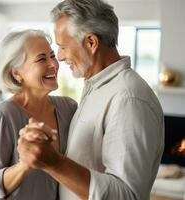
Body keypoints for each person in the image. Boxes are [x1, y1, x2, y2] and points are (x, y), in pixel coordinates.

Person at [17, 0, 164, 200]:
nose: (59, 57)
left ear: (91, 42)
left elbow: (128, 196)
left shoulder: (129, 99)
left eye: (62, 47)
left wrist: (55, 163)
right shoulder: (97, 88)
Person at [0, 29, 77, 200]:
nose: (53, 64)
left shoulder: (69, 108)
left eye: (52, 56)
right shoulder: (2, 116)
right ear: (17, 73)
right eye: (42, 59)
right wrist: (24, 165)